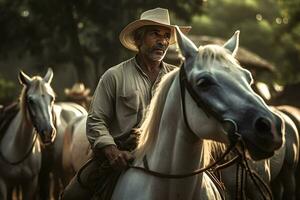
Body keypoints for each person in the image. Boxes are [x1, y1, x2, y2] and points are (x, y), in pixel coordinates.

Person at [61, 7, 191, 199]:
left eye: (166, 36)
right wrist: (112, 151)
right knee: (71, 196)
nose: (162, 41)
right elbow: (96, 120)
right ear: (138, 39)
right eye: (155, 34)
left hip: (168, 154)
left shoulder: (177, 78)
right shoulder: (114, 76)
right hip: (120, 155)